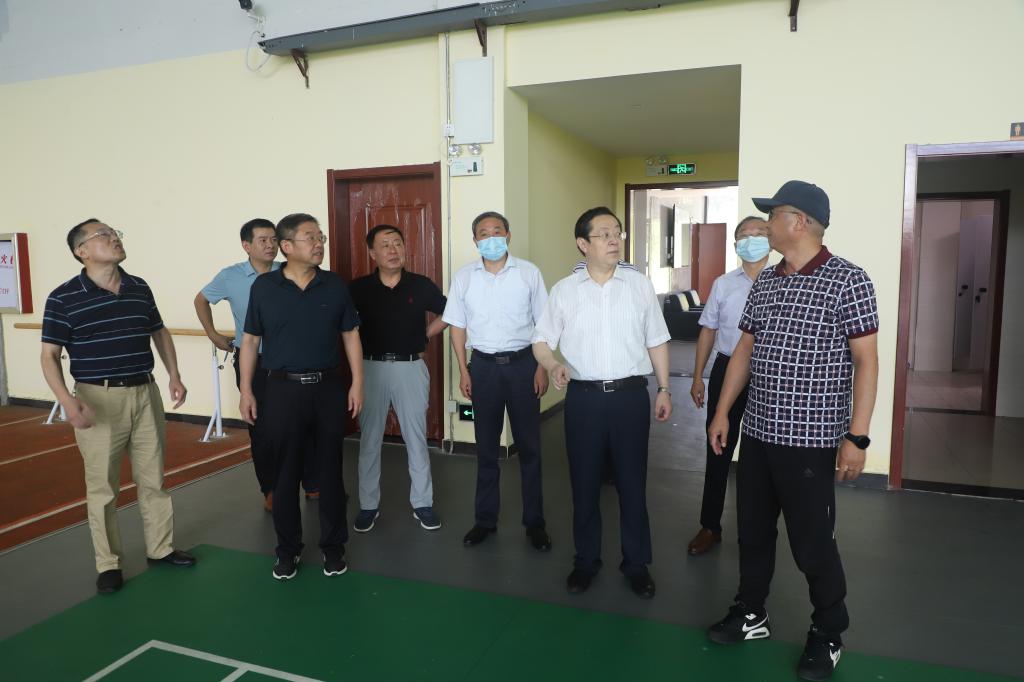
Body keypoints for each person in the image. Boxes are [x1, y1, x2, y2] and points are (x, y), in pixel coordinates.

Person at [705, 181, 879, 682]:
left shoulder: (849, 280)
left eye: (773, 216)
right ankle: (751, 612)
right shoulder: (767, 280)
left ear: (799, 222)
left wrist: (857, 437)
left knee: (812, 542)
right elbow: (744, 350)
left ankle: (828, 631)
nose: (765, 225)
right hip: (759, 433)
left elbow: (866, 362)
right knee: (753, 531)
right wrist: (723, 412)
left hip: (811, 441)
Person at [40, 219, 196, 595]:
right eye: (104, 236)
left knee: (153, 479)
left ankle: (161, 548)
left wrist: (174, 374)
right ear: (81, 251)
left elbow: (158, 331)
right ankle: (108, 564)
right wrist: (67, 401)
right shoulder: (63, 297)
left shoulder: (138, 286)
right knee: (103, 489)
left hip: (145, 393)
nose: (114, 239)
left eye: (115, 234)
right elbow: (49, 355)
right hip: (97, 398)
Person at [533, 207, 672, 599]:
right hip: (584, 399)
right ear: (583, 244)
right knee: (584, 482)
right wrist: (552, 364)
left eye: (617, 233)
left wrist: (664, 388)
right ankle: (586, 561)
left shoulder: (638, 285)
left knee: (632, 483)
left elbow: (657, 339)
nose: (614, 240)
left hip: (631, 397)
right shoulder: (564, 291)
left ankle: (636, 564)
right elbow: (541, 340)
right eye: (604, 234)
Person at [238, 213, 364, 581]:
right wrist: (246, 390)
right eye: (311, 237)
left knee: (330, 471)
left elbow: (351, 335)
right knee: (285, 472)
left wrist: (358, 382)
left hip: (327, 388)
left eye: (320, 236)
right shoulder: (265, 287)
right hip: (281, 389)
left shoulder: (334, 285)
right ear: (287, 246)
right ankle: (287, 549)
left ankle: (333, 547)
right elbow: (251, 341)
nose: (319, 243)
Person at [442, 211, 552, 551]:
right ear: (475, 240)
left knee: (530, 448)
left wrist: (542, 367)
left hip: (523, 366)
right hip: (484, 369)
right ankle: (485, 521)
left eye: (497, 231)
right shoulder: (464, 278)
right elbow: (457, 327)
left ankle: (535, 523)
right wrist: (464, 370)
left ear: (508, 235)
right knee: (486, 448)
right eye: (483, 233)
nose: (491, 238)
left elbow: (544, 324)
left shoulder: (529, 273)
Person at [348, 224, 448, 533]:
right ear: (372, 253)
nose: (393, 250)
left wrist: (425, 335)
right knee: (369, 440)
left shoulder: (420, 285)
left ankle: (423, 503)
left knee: (416, 438)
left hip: (410, 368)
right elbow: (344, 328)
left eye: (398, 243)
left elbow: (451, 312)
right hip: (371, 368)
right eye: (385, 245)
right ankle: (368, 505)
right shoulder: (358, 289)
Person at [686, 216, 770, 556]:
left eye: (759, 233)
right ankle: (710, 525)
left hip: (769, 373)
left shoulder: (787, 280)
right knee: (718, 447)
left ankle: (757, 530)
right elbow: (708, 329)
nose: (752, 239)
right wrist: (698, 376)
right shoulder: (723, 284)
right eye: (744, 235)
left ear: (771, 239)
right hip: (726, 368)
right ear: (736, 245)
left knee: (762, 455)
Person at [194, 219, 282, 511]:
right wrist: (212, 334)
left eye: (274, 239)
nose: (270, 245)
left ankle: (312, 483)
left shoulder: (287, 271)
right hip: (252, 361)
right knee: (261, 427)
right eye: (263, 240)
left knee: (298, 422)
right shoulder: (230, 276)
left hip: (290, 360)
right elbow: (201, 300)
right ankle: (270, 489)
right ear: (246, 245)